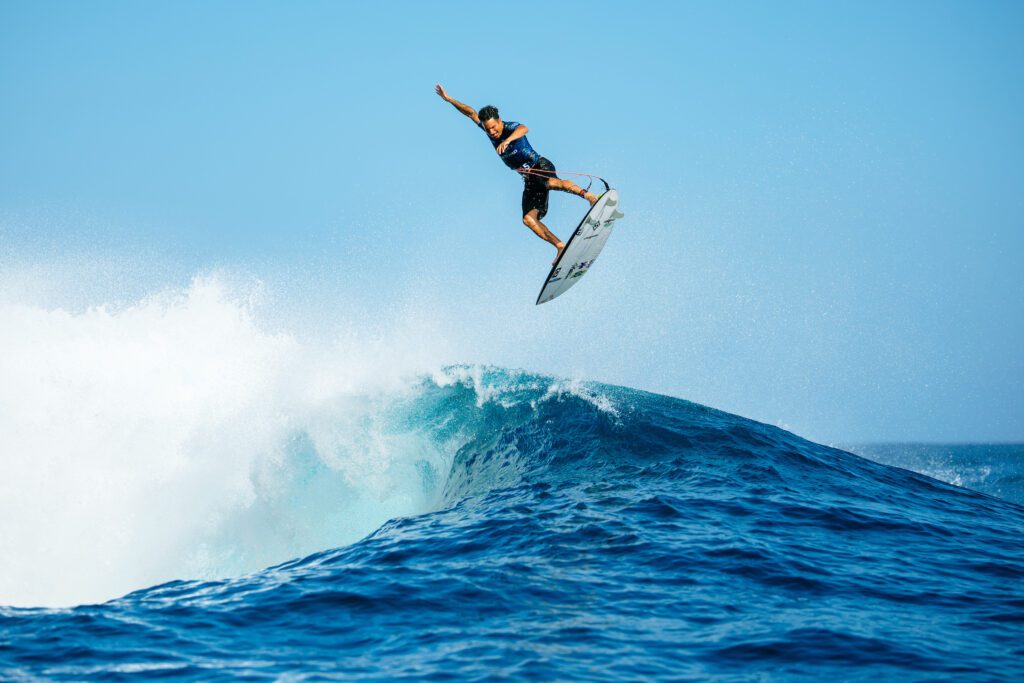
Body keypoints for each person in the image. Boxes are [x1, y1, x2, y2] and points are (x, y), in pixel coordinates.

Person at [435, 84, 598, 264]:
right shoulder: (489, 131)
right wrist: (449, 99)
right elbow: (470, 113)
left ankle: (590, 196)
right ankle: (560, 246)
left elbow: (524, 128)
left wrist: (508, 140)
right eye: (488, 129)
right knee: (528, 219)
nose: (491, 132)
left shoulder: (510, 127)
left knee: (550, 183)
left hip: (539, 165)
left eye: (494, 127)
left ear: (499, 120)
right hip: (528, 178)